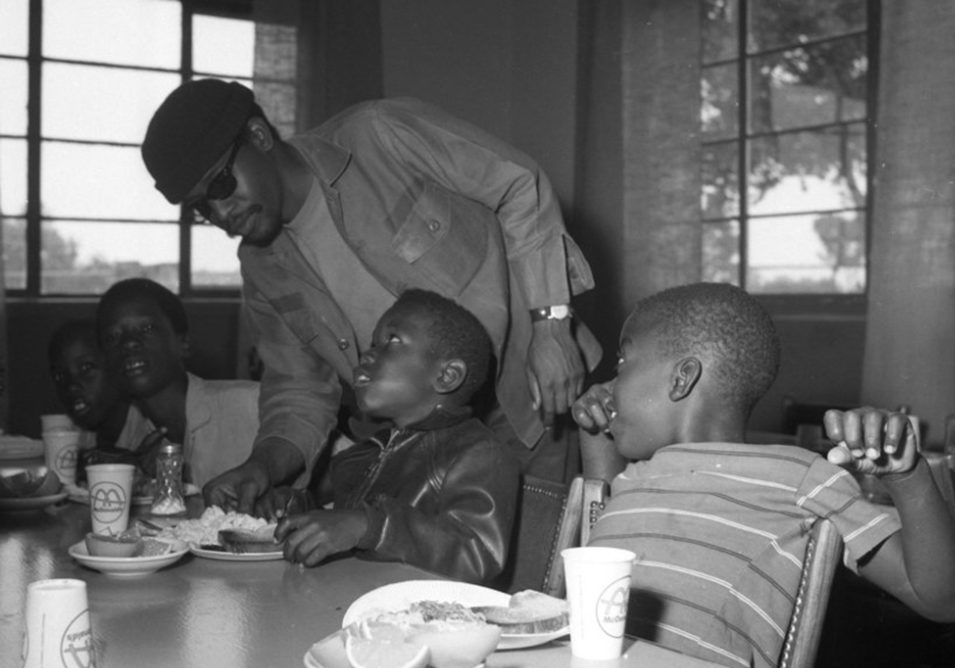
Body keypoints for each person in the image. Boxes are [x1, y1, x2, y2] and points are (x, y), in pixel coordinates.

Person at [140, 79, 602, 512]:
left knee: (543, 579)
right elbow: (299, 390)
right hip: (429, 446)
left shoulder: (378, 136)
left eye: (221, 184)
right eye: (202, 207)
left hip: (531, 400)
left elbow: (520, 183)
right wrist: (260, 467)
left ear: (259, 136)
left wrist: (551, 325)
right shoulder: (262, 266)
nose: (221, 213)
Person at [571, 282, 955, 668]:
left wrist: (908, 476)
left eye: (622, 364)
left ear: (682, 379)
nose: (610, 384)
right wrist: (594, 429)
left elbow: (946, 602)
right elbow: (599, 546)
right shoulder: (637, 477)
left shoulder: (798, 478)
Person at [265, 289, 520, 584]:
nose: (368, 353)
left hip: (427, 624)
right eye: (373, 342)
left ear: (447, 375)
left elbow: (479, 553)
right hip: (356, 609)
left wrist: (370, 527)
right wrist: (293, 511)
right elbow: (345, 530)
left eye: (393, 341)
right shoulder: (365, 453)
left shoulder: (478, 453)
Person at [96, 278, 262, 487]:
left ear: (183, 342)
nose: (128, 342)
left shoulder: (252, 405)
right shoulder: (132, 442)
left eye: (146, 328)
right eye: (112, 337)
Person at [48, 319, 160, 483]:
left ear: (116, 368)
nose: (71, 386)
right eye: (60, 376)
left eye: (86, 368)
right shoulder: (73, 437)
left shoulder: (151, 434)